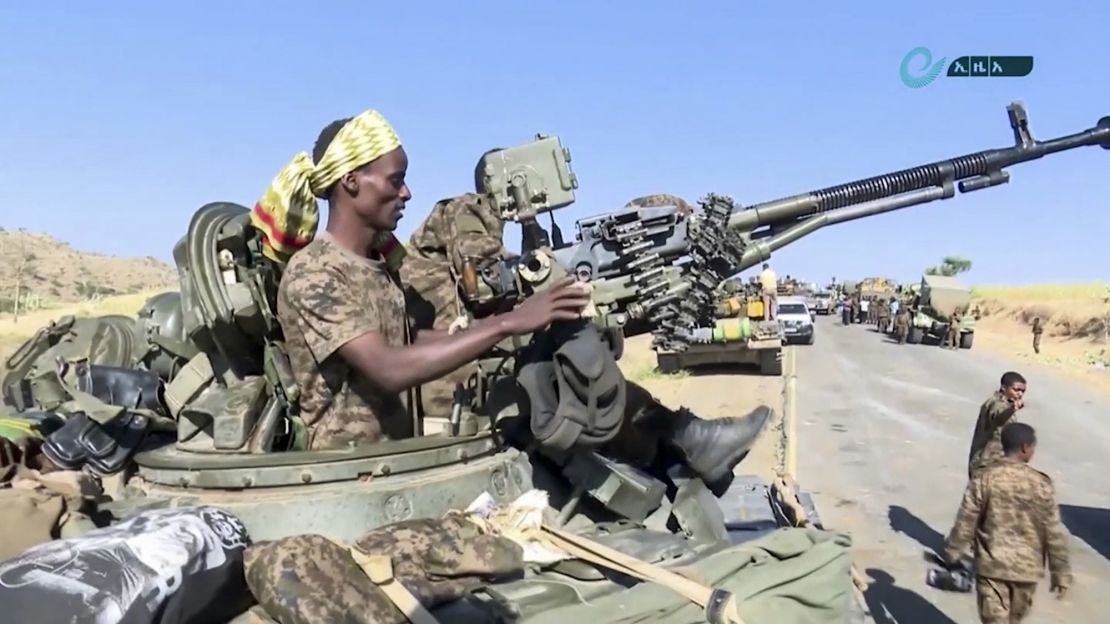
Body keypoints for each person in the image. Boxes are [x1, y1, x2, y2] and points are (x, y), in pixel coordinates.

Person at [262, 109, 593, 450]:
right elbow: (388, 367)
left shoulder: (375, 265)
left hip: (393, 462)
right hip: (345, 473)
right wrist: (508, 324)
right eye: (395, 180)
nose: (406, 193)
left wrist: (503, 325)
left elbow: (407, 342)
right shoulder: (315, 271)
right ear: (351, 181)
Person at [942, 422, 1071, 623]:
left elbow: (966, 520)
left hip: (992, 567)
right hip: (1026, 572)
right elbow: (1053, 530)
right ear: (1026, 448)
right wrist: (1060, 572)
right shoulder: (1041, 484)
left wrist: (952, 552)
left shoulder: (984, 479)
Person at [967, 372, 1026, 479]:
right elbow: (998, 417)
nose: (1020, 394)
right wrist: (1011, 410)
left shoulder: (1002, 403)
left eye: (1023, 391)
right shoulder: (996, 404)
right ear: (1004, 388)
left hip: (992, 463)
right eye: (1016, 390)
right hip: (986, 464)